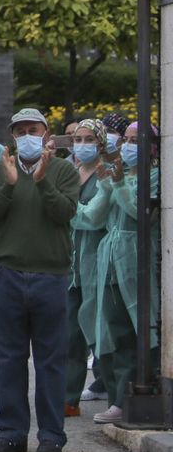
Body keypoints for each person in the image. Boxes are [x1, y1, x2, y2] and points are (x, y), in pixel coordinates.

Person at [0, 107, 80, 452]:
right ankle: (11, 431)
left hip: (50, 275)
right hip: (7, 274)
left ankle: (51, 434)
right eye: (20, 131)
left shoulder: (64, 170)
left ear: (45, 132)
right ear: (12, 136)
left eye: (32, 129)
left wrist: (42, 180)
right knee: (8, 357)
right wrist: (8, 186)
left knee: (51, 360)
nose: (26, 136)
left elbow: (65, 212)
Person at [83, 118, 160, 426]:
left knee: (138, 333)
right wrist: (106, 184)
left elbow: (142, 215)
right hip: (111, 265)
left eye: (136, 140)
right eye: (126, 140)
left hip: (137, 262)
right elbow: (96, 217)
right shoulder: (120, 175)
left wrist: (116, 186)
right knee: (112, 334)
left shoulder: (156, 176)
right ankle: (117, 398)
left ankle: (135, 398)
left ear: (153, 147)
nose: (128, 146)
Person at [66, 119, 109, 414]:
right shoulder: (71, 173)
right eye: (77, 139)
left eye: (88, 138)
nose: (82, 144)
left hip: (98, 263)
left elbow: (94, 218)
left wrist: (63, 208)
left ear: (101, 143)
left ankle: (114, 391)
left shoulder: (106, 175)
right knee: (69, 336)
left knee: (102, 332)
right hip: (70, 267)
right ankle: (68, 400)